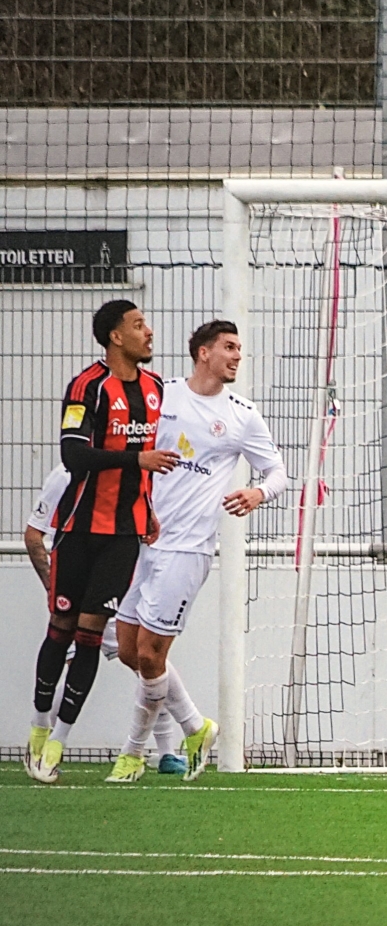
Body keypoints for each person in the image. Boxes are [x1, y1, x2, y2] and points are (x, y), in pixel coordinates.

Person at [106, 321, 288, 784]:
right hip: (146, 540)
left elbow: (277, 471)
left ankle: (132, 754)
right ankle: (195, 726)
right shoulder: (162, 395)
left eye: (239, 349)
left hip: (188, 549)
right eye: (228, 347)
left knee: (151, 653)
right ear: (202, 353)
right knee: (129, 650)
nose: (236, 356)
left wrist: (256, 494)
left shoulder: (243, 415)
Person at [27, 300, 177, 784]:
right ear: (115, 337)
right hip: (78, 529)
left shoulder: (154, 389)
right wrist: (137, 460)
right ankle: (38, 725)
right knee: (62, 625)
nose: (148, 332)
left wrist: (146, 504)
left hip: (124, 535)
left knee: (91, 633)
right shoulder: (87, 386)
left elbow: (150, 464)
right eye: (138, 325)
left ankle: (59, 742)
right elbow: (73, 455)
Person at [24, 465, 184, 772]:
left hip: (113, 594)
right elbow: (34, 534)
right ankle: (41, 738)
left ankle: (168, 749)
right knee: (69, 664)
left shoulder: (135, 477)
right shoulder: (66, 474)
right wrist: (52, 585)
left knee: (146, 660)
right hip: (72, 589)